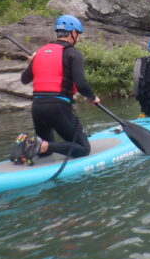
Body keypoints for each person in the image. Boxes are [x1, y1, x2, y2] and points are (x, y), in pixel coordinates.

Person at [20, 15, 98, 159]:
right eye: (78, 34)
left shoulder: (40, 52)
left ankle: (36, 146)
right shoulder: (73, 54)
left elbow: (24, 79)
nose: (78, 38)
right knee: (83, 149)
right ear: (73, 33)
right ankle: (42, 145)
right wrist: (92, 97)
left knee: (46, 151)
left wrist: (33, 61)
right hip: (57, 107)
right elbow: (81, 83)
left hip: (37, 107)